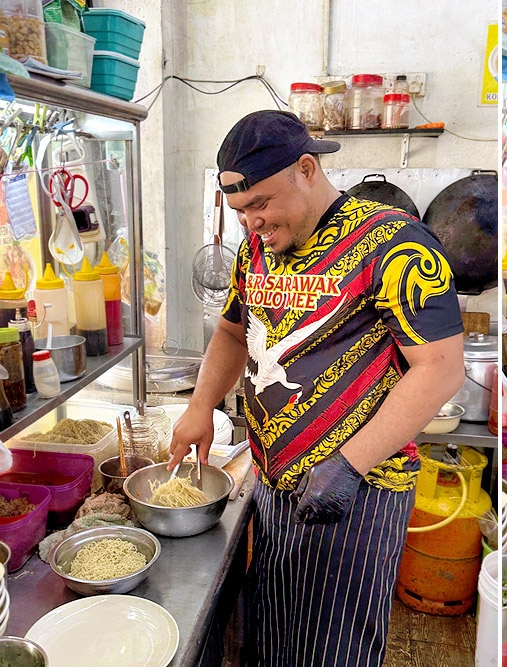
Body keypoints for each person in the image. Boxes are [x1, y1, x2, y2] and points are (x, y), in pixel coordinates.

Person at [168, 109, 466, 667]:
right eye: (240, 210)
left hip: (359, 491)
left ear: (307, 168)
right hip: (275, 482)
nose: (252, 223)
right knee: (276, 639)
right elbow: (233, 332)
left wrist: (348, 466)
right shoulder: (259, 248)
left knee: (334, 650)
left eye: (261, 204)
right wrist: (200, 406)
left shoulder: (394, 246)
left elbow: (440, 370)